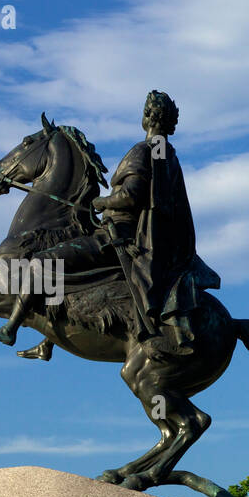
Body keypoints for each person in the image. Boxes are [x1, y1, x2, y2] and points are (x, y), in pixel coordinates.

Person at [91, 90, 220, 354]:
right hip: (163, 242)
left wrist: (100, 202)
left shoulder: (143, 150)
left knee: (58, 263)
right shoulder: (168, 154)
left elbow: (129, 197)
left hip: (135, 236)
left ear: (147, 116)